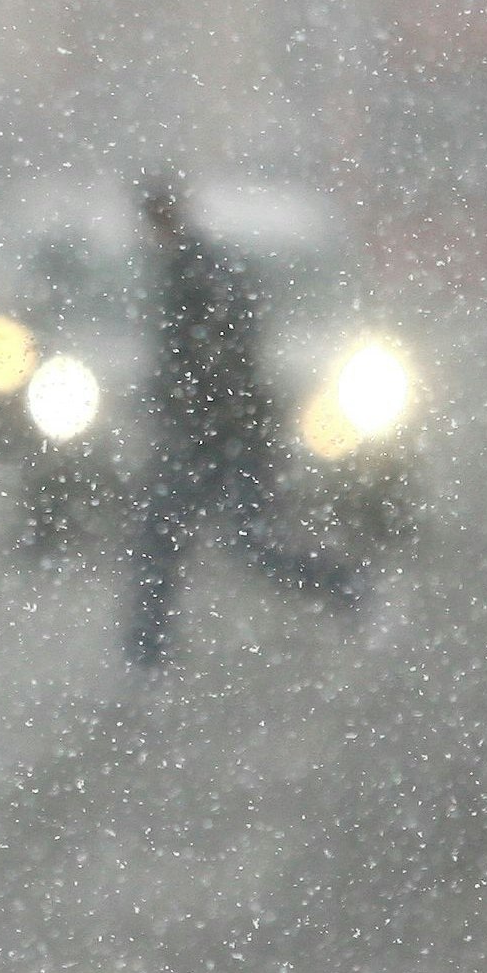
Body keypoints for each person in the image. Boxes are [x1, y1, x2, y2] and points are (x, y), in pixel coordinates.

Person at [123, 172, 362, 669]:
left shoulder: (198, 272)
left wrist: (197, 405)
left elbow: (221, 357)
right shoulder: (187, 269)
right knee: (187, 541)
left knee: (227, 542)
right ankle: (146, 654)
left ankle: (345, 587)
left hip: (219, 435)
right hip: (215, 433)